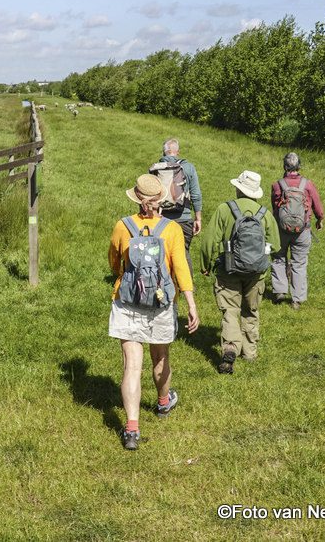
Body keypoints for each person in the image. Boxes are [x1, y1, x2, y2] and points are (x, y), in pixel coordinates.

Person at [108, 174, 200, 450]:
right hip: (161, 303)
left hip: (128, 302)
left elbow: (115, 261)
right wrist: (191, 304)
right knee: (160, 357)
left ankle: (132, 428)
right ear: (160, 200)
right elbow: (180, 268)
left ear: (136, 198)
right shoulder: (171, 230)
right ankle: (163, 401)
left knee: (132, 366)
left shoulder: (123, 226)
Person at [198, 170, 279, 374]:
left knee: (230, 310)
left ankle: (231, 348)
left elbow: (209, 241)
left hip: (228, 271)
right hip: (256, 274)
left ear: (238, 188)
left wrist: (206, 263)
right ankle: (250, 352)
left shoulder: (224, 210)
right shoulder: (264, 214)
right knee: (251, 310)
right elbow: (276, 245)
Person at [271, 152, 325, 310]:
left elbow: (275, 208)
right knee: (299, 263)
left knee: (278, 258)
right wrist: (319, 219)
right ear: (299, 166)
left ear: (284, 166)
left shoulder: (277, 185)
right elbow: (317, 205)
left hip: (281, 229)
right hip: (302, 230)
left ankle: (280, 291)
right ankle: (297, 299)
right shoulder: (307, 185)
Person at [148, 138, 203, 273]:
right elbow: (196, 194)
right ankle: (187, 287)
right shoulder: (188, 167)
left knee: (160, 252)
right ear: (178, 152)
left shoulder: (155, 168)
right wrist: (198, 218)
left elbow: (149, 195)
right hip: (183, 218)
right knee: (183, 253)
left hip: (161, 218)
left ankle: (161, 284)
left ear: (164, 152)